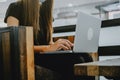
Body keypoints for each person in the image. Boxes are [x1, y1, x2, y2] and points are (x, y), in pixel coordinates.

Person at [4, 0, 94, 80]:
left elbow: (49, 42)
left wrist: (61, 45)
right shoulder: (15, 8)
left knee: (86, 57)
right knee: (76, 61)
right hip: (31, 57)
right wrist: (47, 48)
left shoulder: (46, 12)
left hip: (45, 55)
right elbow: (14, 44)